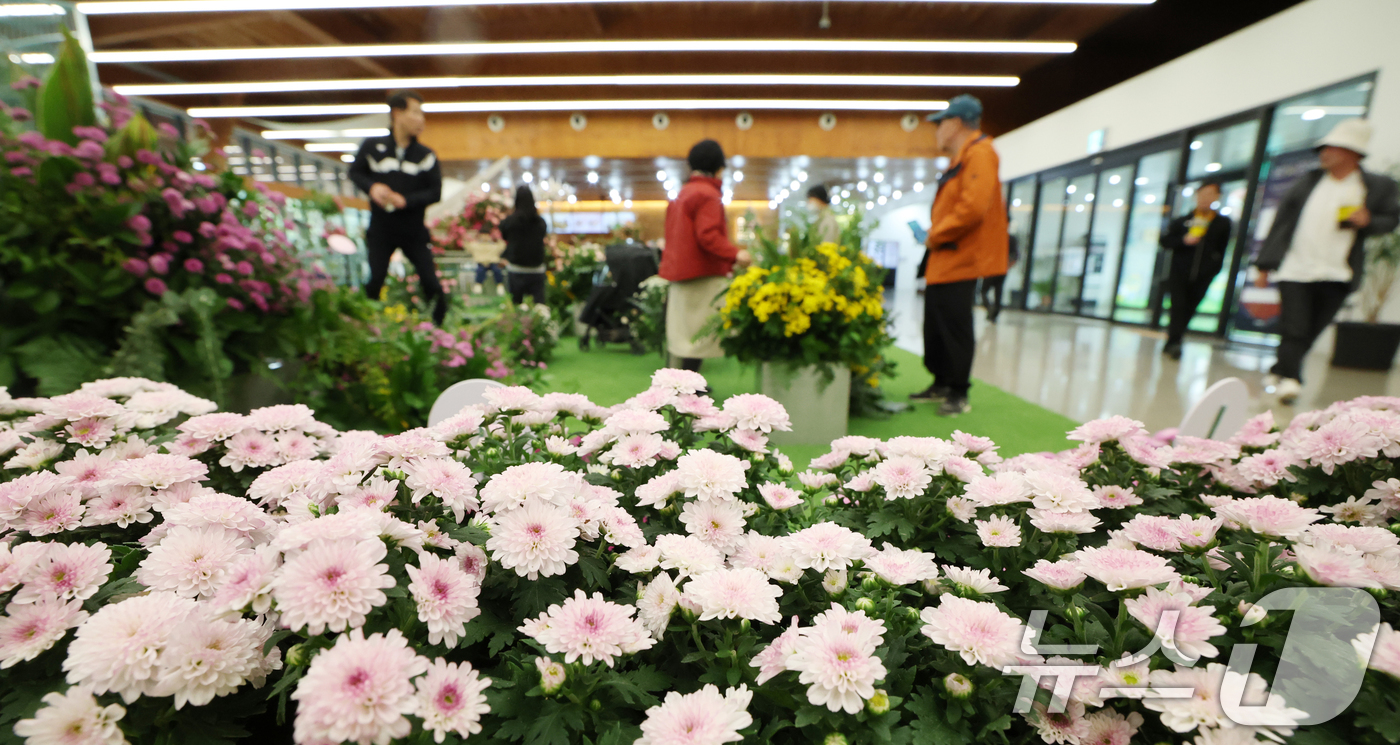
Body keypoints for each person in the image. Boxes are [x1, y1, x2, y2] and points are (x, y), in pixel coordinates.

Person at [1255, 118, 1400, 404]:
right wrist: (1265, 264)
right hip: (1296, 268)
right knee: (1294, 326)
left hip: (1338, 272)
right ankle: (1292, 380)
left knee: (1311, 329)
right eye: (1323, 148)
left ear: (1353, 153)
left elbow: (1390, 219)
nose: (1324, 153)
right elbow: (1281, 223)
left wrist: (1368, 220)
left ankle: (1279, 369)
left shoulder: (1375, 187)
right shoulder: (1307, 183)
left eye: (1332, 148)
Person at [909, 94, 1009, 416]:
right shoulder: (961, 159)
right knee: (936, 327)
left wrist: (934, 235)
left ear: (954, 123)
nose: (936, 130)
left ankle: (958, 392)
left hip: (961, 261)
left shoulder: (980, 153)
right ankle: (941, 382)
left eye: (940, 123)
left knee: (955, 327)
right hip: (943, 260)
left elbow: (973, 208)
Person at [350, 90, 448, 325]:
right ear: (397, 114)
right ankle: (364, 327)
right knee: (375, 280)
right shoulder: (373, 147)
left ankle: (441, 330)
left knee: (431, 282)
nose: (421, 120)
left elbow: (435, 192)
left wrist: (407, 200)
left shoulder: (426, 156)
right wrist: (372, 188)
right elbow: (355, 172)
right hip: (381, 229)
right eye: (416, 113)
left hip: (413, 230)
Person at [658, 139, 752, 373]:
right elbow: (708, 235)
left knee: (685, 338)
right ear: (719, 167)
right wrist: (736, 253)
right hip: (702, 274)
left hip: (680, 275)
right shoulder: (708, 194)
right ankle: (688, 390)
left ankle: (684, 387)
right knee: (697, 338)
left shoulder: (683, 194)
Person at [1160, 178, 1232, 360]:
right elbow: (1165, 241)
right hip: (1179, 272)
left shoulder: (1222, 223)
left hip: (1203, 274)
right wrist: (1183, 241)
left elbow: (1222, 250)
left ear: (1217, 197)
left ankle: (1175, 339)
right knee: (1178, 306)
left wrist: (1213, 269)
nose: (1206, 198)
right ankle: (1174, 342)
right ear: (1196, 196)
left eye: (1211, 194)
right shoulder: (1182, 221)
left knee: (1190, 308)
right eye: (1203, 194)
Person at [499, 185, 549, 306]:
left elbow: (504, 236)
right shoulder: (540, 222)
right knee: (539, 309)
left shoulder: (510, 221)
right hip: (537, 270)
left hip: (516, 270)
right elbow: (543, 237)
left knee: (516, 307)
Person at [979, 234, 1019, 324]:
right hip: (1002, 268)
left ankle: (990, 309)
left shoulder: (993, 237)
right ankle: (994, 314)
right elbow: (1016, 255)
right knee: (998, 292)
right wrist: (1007, 266)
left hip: (992, 268)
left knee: (984, 291)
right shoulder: (1011, 239)